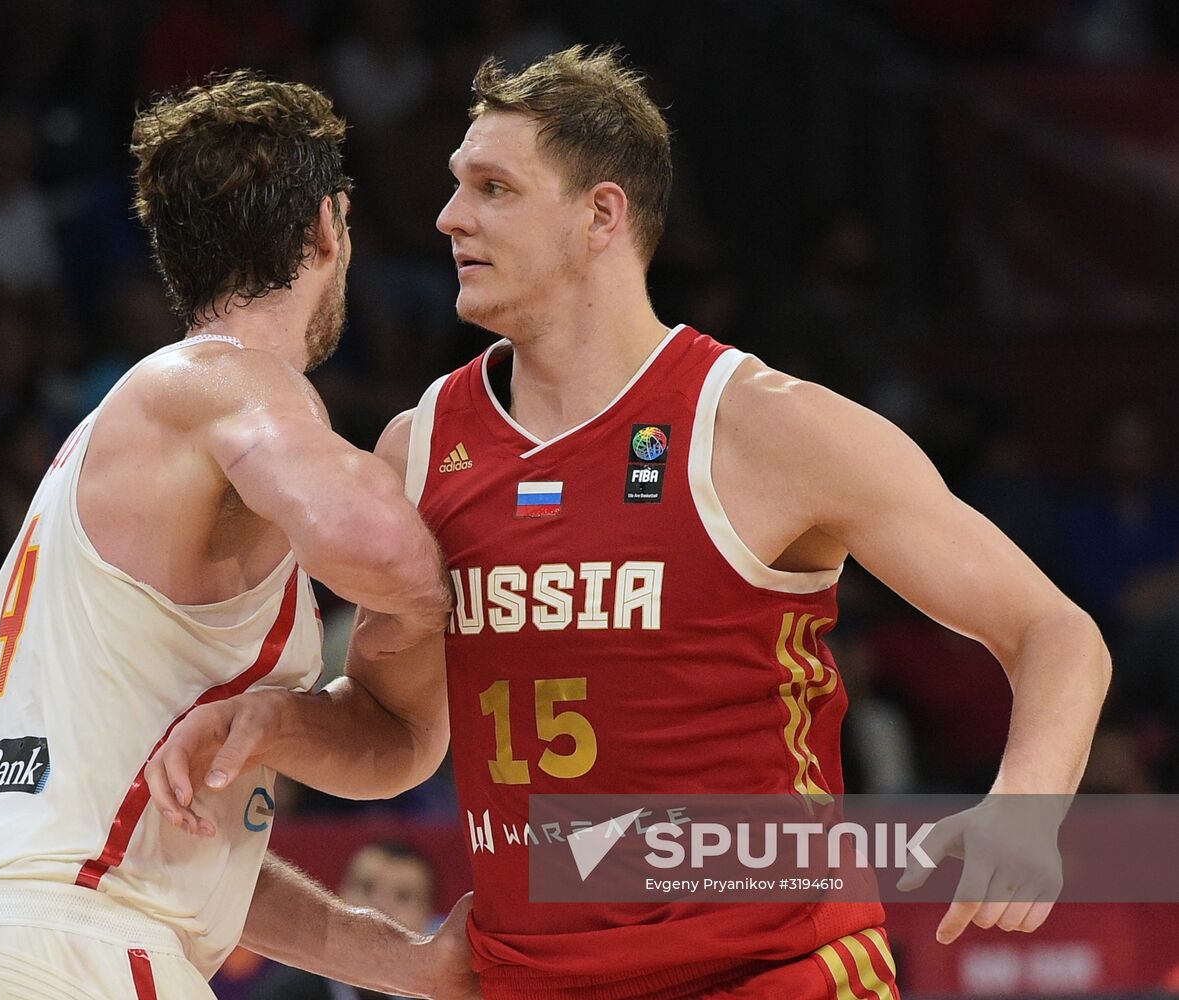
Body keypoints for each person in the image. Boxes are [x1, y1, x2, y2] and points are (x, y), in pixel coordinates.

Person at [149, 48, 1111, 1000]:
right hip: (533, 982)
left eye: (492, 188)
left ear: (600, 215)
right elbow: (395, 732)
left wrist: (1024, 807)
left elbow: (1053, 631)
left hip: (769, 971)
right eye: (456, 187)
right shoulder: (419, 446)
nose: (449, 217)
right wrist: (274, 721)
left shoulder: (765, 426)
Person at [0, 71, 475, 1000]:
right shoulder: (231, 381)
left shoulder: (133, 429)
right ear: (329, 227)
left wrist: (402, 963)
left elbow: (186, 861)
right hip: (70, 942)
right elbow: (372, 543)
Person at [255, 840, 439, 999]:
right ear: (336, 897)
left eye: (403, 896)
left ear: (428, 915)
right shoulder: (289, 990)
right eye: (367, 888)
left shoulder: (442, 994)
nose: (381, 908)